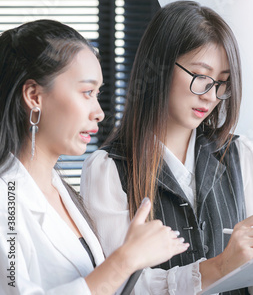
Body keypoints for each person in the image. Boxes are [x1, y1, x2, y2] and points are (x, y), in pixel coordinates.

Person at [81, 0, 253, 295]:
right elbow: (118, 287)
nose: (211, 96)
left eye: (222, 83)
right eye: (200, 77)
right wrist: (217, 267)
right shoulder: (109, 169)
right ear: (159, 66)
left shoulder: (240, 154)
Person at [0, 19, 189, 295]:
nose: (99, 112)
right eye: (87, 92)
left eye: (97, 94)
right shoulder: (6, 199)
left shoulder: (60, 192)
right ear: (33, 96)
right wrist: (124, 261)